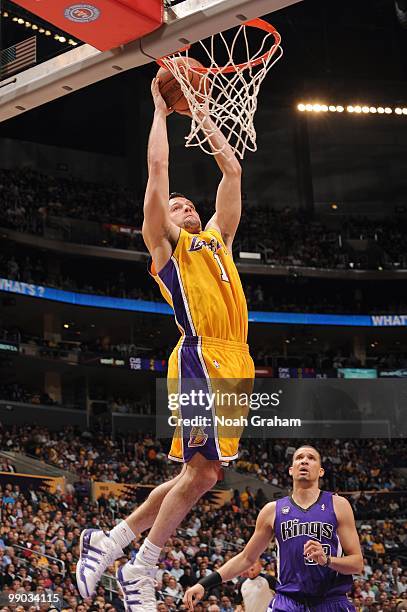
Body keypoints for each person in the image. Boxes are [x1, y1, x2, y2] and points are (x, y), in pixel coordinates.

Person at [76, 77, 254, 610]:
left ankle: (111, 542)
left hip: (235, 360)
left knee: (192, 474)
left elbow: (233, 170)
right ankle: (141, 566)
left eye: (188, 205)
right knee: (205, 473)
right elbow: (158, 173)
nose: (185, 207)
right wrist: (161, 111)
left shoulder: (218, 240)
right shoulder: (167, 250)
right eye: (176, 206)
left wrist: (202, 112)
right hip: (200, 353)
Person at [184, 445, 364, 612]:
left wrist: (327, 560)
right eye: (299, 458)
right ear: (291, 470)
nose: (304, 461)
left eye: (311, 458)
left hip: (331, 600)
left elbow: (357, 564)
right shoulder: (272, 510)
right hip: (288, 602)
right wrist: (204, 584)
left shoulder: (338, 504)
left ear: (321, 471)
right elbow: (247, 558)